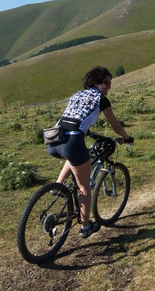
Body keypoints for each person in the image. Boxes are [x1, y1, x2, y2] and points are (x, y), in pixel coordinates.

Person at [47, 66, 133, 238]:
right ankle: (86, 227)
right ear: (96, 83)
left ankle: (59, 185)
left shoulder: (76, 95)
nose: (110, 86)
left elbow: (71, 118)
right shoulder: (101, 99)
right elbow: (115, 125)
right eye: (107, 82)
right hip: (72, 142)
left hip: (53, 140)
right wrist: (126, 137)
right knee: (84, 188)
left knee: (74, 158)